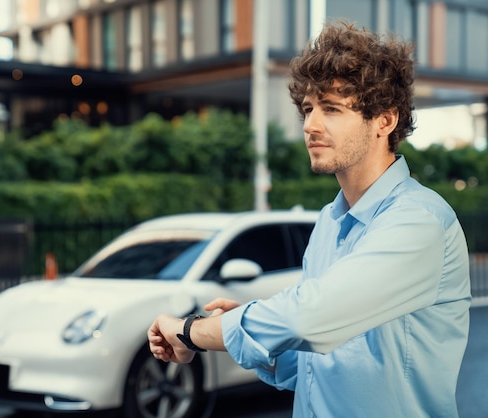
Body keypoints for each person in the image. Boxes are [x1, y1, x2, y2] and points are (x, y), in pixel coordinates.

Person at [147, 20, 471, 418]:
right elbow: (315, 364)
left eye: (332, 109)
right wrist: (243, 334)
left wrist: (193, 331)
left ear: (384, 121)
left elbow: (308, 318)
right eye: (308, 109)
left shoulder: (419, 222)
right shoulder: (329, 223)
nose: (310, 125)